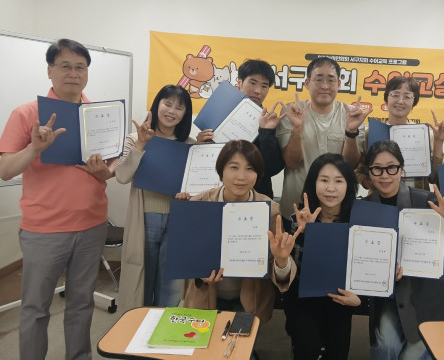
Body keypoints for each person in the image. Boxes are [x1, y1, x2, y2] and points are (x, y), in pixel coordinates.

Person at [0, 38, 116, 360]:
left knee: (81, 303)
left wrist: (104, 172)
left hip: (92, 226)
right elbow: (5, 171)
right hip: (44, 230)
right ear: (50, 70)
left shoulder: (100, 116)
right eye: (65, 66)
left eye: (80, 67)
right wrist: (34, 148)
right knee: (36, 308)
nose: (73, 73)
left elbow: (110, 170)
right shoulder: (27, 114)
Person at [363, 141, 444, 360]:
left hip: (427, 294)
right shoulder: (365, 208)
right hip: (392, 296)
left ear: (401, 169)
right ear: (369, 172)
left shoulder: (427, 202)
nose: (384, 175)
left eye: (391, 167)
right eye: (377, 169)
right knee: (385, 347)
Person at [175, 140, 298, 324]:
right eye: (234, 167)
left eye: (250, 169)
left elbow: (278, 271)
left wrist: (282, 261)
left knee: (241, 338)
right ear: (221, 170)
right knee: (206, 339)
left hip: (250, 300)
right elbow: (186, 256)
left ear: (258, 174)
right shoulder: (200, 203)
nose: (241, 176)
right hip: (207, 297)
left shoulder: (269, 209)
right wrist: (198, 271)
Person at [115, 84, 195, 311]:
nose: (172, 111)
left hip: (178, 219)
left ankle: (163, 325)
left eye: (179, 107)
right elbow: (122, 176)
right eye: (167, 104)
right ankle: (140, 326)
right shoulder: (135, 138)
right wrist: (141, 145)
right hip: (145, 217)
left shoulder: (190, 145)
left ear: (185, 113)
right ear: (157, 105)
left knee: (171, 283)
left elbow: (198, 187)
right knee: (142, 277)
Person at [284, 153, 361, 360]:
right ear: (313, 183)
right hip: (304, 298)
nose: (331, 188)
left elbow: (364, 269)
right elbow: (292, 273)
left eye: (339, 181)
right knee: (307, 348)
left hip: (341, 299)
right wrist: (306, 233)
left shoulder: (357, 222)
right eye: (324, 180)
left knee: (337, 352)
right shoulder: (298, 219)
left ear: (349, 185)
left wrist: (359, 298)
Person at [276, 56, 371, 216]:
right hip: (296, 208)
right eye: (318, 80)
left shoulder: (350, 114)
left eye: (331, 80)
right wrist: (297, 128)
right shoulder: (292, 112)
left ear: (339, 84)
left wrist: (351, 132)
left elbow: (350, 165)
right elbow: (292, 162)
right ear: (307, 83)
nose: (325, 86)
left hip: (336, 210)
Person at [197, 59, 286, 198]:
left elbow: (271, 168)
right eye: (252, 83)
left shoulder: (270, 122)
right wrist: (201, 145)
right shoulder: (218, 114)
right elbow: (205, 164)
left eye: (264, 86)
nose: (258, 91)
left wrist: (266, 132)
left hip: (256, 196)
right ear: (239, 82)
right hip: (217, 194)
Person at [356, 76, 444, 192]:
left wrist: (439, 142)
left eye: (407, 96)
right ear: (387, 98)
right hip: (381, 200)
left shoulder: (423, 135)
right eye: (395, 95)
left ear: (414, 101)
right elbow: (359, 171)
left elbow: (434, 178)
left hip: (417, 199)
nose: (400, 101)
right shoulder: (371, 133)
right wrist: (371, 183)